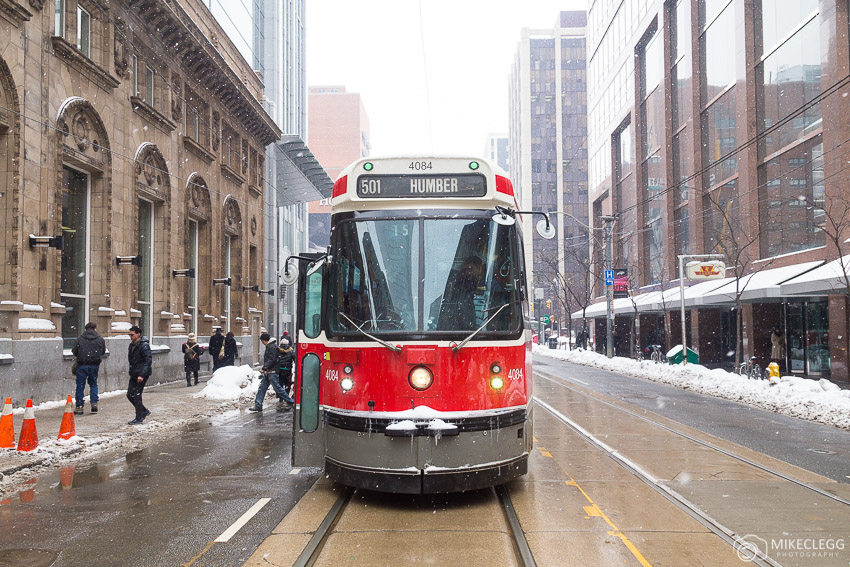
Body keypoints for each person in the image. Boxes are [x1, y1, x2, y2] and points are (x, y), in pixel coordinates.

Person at [249, 333, 291, 412]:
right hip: (269, 371)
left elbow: (272, 359)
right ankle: (258, 405)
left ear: (265, 340)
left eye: (262, 341)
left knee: (278, 389)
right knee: (262, 388)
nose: (262, 343)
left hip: (272, 371)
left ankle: (291, 401)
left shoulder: (272, 347)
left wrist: (265, 367)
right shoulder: (270, 346)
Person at [72, 322, 106, 415]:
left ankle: (79, 406)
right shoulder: (100, 339)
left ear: (86, 329)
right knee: (93, 384)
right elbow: (102, 352)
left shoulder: (80, 338)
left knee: (80, 385)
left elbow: (74, 351)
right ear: (95, 328)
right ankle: (94, 403)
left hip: (82, 365)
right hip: (94, 365)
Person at [126, 325, 152, 425]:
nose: (130, 336)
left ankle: (139, 417)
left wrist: (142, 374)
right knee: (130, 394)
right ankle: (144, 411)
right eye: (130, 335)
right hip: (134, 373)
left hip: (141, 374)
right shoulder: (131, 345)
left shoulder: (144, 345)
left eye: (132, 335)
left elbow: (148, 361)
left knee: (137, 395)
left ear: (138, 334)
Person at [278, 336, 295, 401]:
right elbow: (294, 358)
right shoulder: (290, 350)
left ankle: (281, 398)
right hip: (287, 369)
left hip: (280, 369)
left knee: (280, 384)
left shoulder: (278, 350)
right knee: (287, 384)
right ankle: (286, 395)